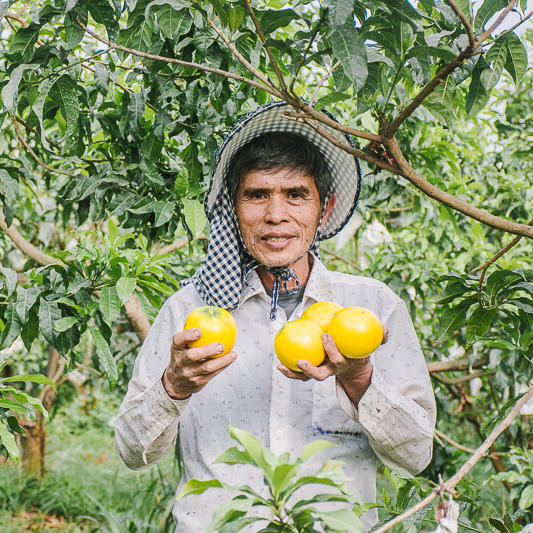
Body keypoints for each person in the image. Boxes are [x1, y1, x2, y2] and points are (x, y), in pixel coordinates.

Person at [114, 102, 436, 531]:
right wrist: (172, 388)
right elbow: (133, 453)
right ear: (234, 207)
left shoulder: (374, 310)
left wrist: (359, 380)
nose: (275, 215)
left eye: (296, 195)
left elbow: (416, 455)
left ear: (324, 207)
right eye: (257, 195)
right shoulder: (188, 312)